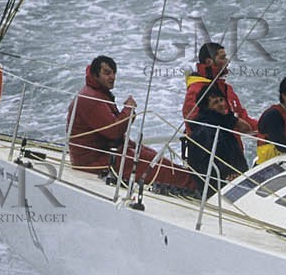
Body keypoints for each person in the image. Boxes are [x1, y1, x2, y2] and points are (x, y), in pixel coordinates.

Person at [67, 55, 197, 193]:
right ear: (95, 74)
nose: (112, 77)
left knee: (149, 154)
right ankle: (193, 186)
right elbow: (114, 131)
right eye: (107, 73)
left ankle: (189, 180)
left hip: (103, 153)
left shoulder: (95, 93)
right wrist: (129, 109)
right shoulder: (91, 99)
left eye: (113, 73)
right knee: (151, 164)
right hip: (93, 161)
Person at [183, 42, 257, 136]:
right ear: (209, 61)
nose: (227, 61)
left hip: (232, 147)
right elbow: (195, 123)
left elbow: (241, 116)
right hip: (211, 148)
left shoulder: (226, 88)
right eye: (222, 58)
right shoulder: (196, 90)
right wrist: (232, 121)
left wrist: (264, 127)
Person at [186, 88, 251, 191]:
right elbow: (206, 163)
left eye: (221, 100)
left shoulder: (222, 121)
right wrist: (229, 175)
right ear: (207, 108)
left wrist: (231, 118)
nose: (221, 104)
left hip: (236, 177)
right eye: (215, 102)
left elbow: (247, 128)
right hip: (220, 185)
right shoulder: (205, 131)